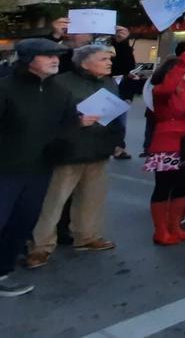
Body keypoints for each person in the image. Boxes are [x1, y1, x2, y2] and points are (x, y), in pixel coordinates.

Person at [0, 39, 88, 298]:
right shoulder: (5, 88)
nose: (55, 59)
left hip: (39, 170)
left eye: (57, 55)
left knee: (22, 222)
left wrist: (62, 149)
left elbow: (69, 125)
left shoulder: (59, 91)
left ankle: (3, 271)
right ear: (28, 59)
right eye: (47, 55)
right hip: (5, 169)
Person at [25, 46, 122, 269]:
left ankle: (87, 237)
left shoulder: (109, 83)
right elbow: (46, 117)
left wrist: (117, 141)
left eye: (109, 59)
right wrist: (76, 120)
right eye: (103, 59)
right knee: (53, 202)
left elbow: (116, 117)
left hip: (98, 149)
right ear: (84, 63)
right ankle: (40, 246)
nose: (109, 63)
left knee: (92, 198)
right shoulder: (60, 83)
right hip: (67, 152)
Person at [145, 53, 185, 245]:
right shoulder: (160, 91)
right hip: (167, 143)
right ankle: (160, 231)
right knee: (163, 187)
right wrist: (181, 65)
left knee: (181, 187)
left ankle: (175, 227)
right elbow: (168, 88)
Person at [110, 26, 136, 159]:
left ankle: (118, 148)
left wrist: (128, 95)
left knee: (120, 122)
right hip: (99, 88)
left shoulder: (123, 49)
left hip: (119, 90)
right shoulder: (96, 45)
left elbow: (129, 71)